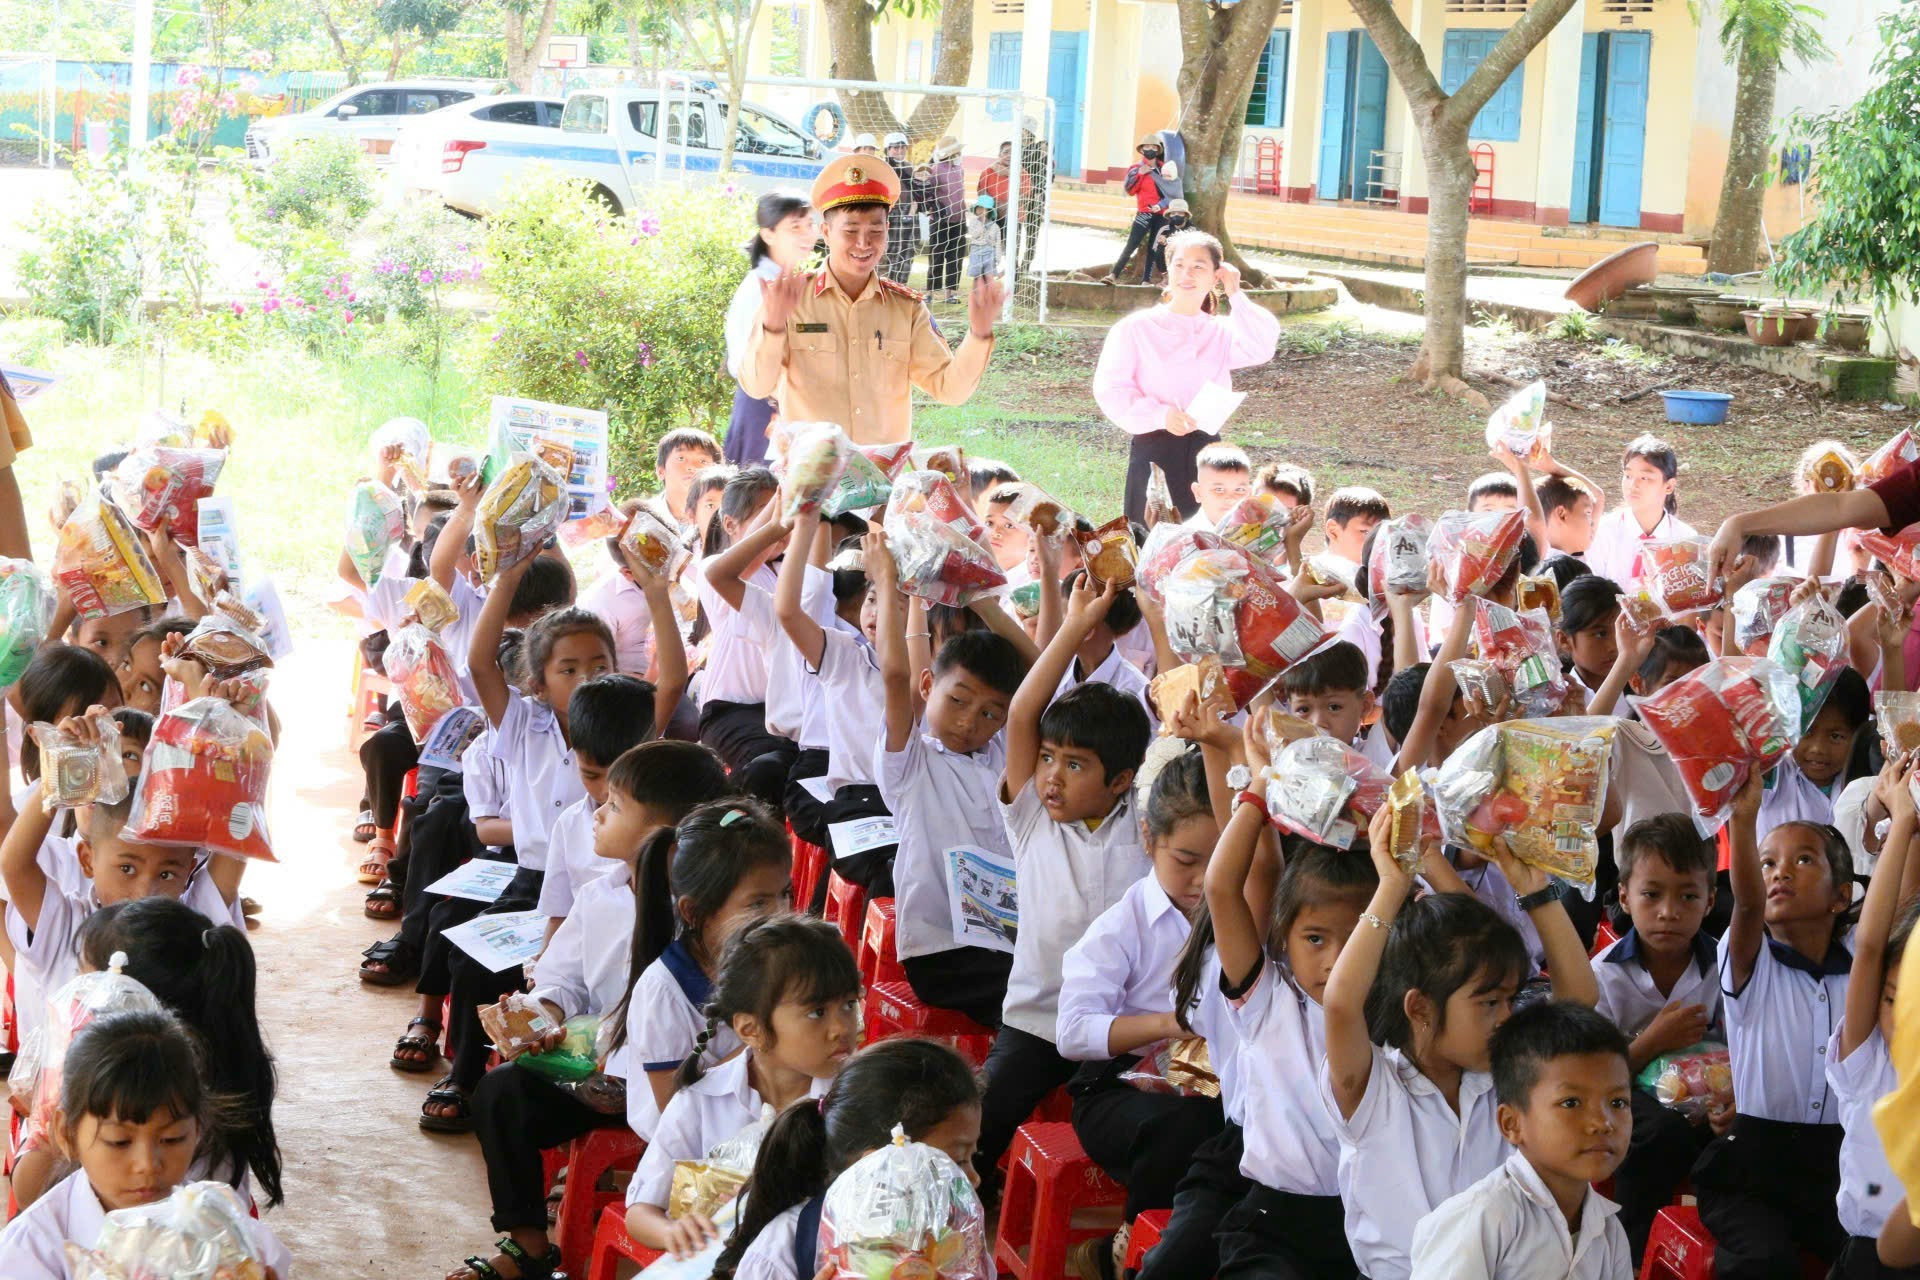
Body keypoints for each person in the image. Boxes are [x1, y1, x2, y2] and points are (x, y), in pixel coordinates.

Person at [446, 742, 729, 1280]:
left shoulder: (705, 918)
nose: (596, 812)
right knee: (501, 1092)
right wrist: (542, 1014)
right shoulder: (602, 895)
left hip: (679, 1090)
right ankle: (529, 1243)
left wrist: (621, 1070)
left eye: (615, 805)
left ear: (666, 833)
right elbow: (563, 978)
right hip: (593, 1076)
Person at [1319, 800, 1599, 1280]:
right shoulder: (1372, 1087)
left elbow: (1579, 998)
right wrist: (1392, 886)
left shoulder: (1504, 1075)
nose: (1507, 1018)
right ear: (1421, 1009)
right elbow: (1342, 1002)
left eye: (1510, 999)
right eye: (1489, 1003)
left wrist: (1535, 893)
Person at [976, 576, 1152, 1191]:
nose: (1051, 776)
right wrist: (1076, 625)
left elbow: (1184, 730)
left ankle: (1103, 1231)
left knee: (1133, 1127)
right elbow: (1025, 711)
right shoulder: (1033, 822)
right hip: (1037, 1019)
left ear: (1122, 779)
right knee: (982, 1120)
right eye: (1048, 757)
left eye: (1074, 765)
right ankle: (965, 1199)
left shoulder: (1147, 823)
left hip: (1121, 1029)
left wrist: (1151, 605)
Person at [1203, 712, 1380, 1280]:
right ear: (1284, 938)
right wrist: (1259, 785)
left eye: (1356, 937)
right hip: (1272, 1223)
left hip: (1371, 1226)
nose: (1335, 959)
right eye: (1315, 939)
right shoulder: (1267, 1000)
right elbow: (1220, 886)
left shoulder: (1400, 1009)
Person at [1058, 742, 1224, 1273]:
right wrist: (1172, 1027)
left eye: (1220, 862)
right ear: (1150, 839)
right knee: (1182, 1126)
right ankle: (1130, 1249)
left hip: (1213, 1081)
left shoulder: (1241, 916)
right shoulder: (1122, 926)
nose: (1204, 880)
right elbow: (1074, 1032)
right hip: (1117, 1088)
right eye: (1187, 861)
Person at [622, 913, 862, 1259]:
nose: (842, 1027)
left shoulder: (855, 1098)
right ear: (752, 1030)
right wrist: (674, 1231)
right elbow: (640, 1212)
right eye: (817, 1012)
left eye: (849, 1004)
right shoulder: (701, 1102)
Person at [1693, 772, 1854, 1276]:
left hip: (1840, 1165)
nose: (1780, 872)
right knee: (1763, 1260)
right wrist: (1741, 823)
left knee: (1877, 1253)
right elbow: (1745, 903)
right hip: (1751, 1168)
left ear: (1841, 897)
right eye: (1768, 863)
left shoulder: (1861, 964)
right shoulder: (1749, 962)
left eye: (1804, 860)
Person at [0, 1010, 291, 1280]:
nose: (148, 1164)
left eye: (172, 1139)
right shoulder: (31, 1253)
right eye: (119, 1141)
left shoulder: (222, 1226)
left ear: (198, 1129)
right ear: (67, 1134)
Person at [741, 153, 1003, 447]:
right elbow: (756, 386)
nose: (864, 244)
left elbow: (950, 390)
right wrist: (773, 328)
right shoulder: (790, 300)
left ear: (888, 230)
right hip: (812, 484)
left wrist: (979, 335)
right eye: (850, 231)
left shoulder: (906, 309)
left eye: (875, 230)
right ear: (826, 233)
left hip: (882, 484)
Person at [874, 537, 1028, 1027]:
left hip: (1011, 937)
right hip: (943, 952)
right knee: (1036, 1009)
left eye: (990, 712)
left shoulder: (1004, 752)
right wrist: (887, 581)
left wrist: (981, 601)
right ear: (928, 687)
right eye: (957, 701)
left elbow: (1042, 669)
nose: (969, 722)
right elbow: (896, 675)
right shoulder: (911, 762)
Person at [603, 798, 795, 1140]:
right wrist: (766, 1042)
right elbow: (676, 1112)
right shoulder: (663, 992)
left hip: (766, 1130)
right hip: (697, 1158)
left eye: (785, 894)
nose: (780, 913)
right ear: (694, 913)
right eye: (758, 903)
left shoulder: (779, 963)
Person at [717, 1038, 983, 1279]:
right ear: (876, 1167)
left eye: (972, 1157)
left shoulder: (948, 1239)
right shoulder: (782, 1252)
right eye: (957, 1162)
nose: (974, 1178)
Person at [1408, 1001, 1635, 1280]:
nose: (1603, 1123)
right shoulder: (1482, 1219)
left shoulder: (1609, 1231)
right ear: (1511, 1123)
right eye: (1571, 1102)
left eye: (1618, 1102)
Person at [1589, 814, 1723, 1258]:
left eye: (1688, 896)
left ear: (1710, 901)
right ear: (1625, 897)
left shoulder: (1724, 968)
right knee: (1659, 1134)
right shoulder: (1605, 975)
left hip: (1708, 1100)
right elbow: (1591, 1076)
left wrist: (1727, 1103)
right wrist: (1653, 1041)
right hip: (1626, 1096)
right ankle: (1630, 1251)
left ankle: (1713, 1240)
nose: (1669, 912)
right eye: (1652, 895)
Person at [1093, 230, 1280, 527]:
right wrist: (1160, 414)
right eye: (1179, 265)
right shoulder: (1135, 328)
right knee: (1150, 535)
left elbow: (1261, 346)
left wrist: (1236, 293)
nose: (1187, 274)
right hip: (1155, 443)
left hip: (1206, 448)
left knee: (1205, 538)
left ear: (1215, 275)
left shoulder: (1219, 330)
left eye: (1198, 267)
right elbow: (1111, 388)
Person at [1830, 754, 1920, 1280]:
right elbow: (1871, 946)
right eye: (1889, 998)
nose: (1900, 1014)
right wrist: (1904, 823)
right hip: (1868, 1257)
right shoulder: (1868, 1064)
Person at [724, 192, 816, 467]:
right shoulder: (761, 286)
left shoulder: (787, 281)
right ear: (768, 234)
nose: (806, 235)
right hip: (765, 413)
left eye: (809, 225)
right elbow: (743, 363)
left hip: (791, 413)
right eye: (795, 227)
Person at [1587, 435, 1694, 592]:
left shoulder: (1685, 539)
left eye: (1644, 478)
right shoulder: (1602, 532)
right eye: (1628, 476)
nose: (1633, 485)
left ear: (1669, 486)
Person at [1111, 136, 1173, 283]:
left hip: (1162, 213)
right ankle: (1113, 274)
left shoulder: (1164, 168)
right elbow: (1130, 190)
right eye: (1147, 147)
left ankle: (1146, 280)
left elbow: (1171, 190)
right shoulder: (1135, 169)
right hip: (1145, 213)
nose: (1150, 150)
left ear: (1158, 150)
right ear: (1142, 149)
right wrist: (1140, 174)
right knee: (1132, 244)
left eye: (1154, 147)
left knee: (1155, 246)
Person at [925, 136, 967, 301]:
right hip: (940, 220)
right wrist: (933, 208)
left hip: (959, 219)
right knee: (937, 254)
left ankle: (951, 291)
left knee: (955, 255)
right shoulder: (935, 170)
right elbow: (929, 193)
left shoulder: (959, 169)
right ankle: (930, 292)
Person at [881, 131, 921, 286]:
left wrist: (916, 205)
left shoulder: (910, 168)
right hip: (891, 213)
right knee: (891, 251)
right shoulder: (883, 167)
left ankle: (901, 287)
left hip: (910, 213)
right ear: (887, 150)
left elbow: (917, 192)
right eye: (895, 148)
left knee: (908, 250)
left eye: (902, 147)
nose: (899, 151)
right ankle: (887, 285)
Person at [1187, 442, 1253, 527]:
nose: (1231, 500)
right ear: (1198, 493)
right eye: (1219, 489)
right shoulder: (1185, 537)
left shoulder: (1264, 534)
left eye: (1240, 490)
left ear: (1249, 494)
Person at [1148, 199, 1194, 285]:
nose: (1176, 216)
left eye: (1180, 213)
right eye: (1173, 213)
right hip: (1169, 258)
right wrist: (1162, 241)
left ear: (1185, 216)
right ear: (1169, 216)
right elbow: (1154, 247)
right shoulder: (1165, 229)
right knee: (1160, 250)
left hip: (1186, 258)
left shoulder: (1192, 230)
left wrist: (1169, 242)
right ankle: (1166, 277)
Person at [966, 193, 1002, 284]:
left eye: (984, 209)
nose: (981, 211)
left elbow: (998, 243)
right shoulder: (973, 222)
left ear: (989, 211)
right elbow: (974, 234)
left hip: (989, 252)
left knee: (988, 277)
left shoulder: (995, 227)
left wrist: (997, 257)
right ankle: (976, 295)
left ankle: (986, 296)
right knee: (977, 277)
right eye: (979, 208)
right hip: (976, 251)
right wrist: (982, 224)